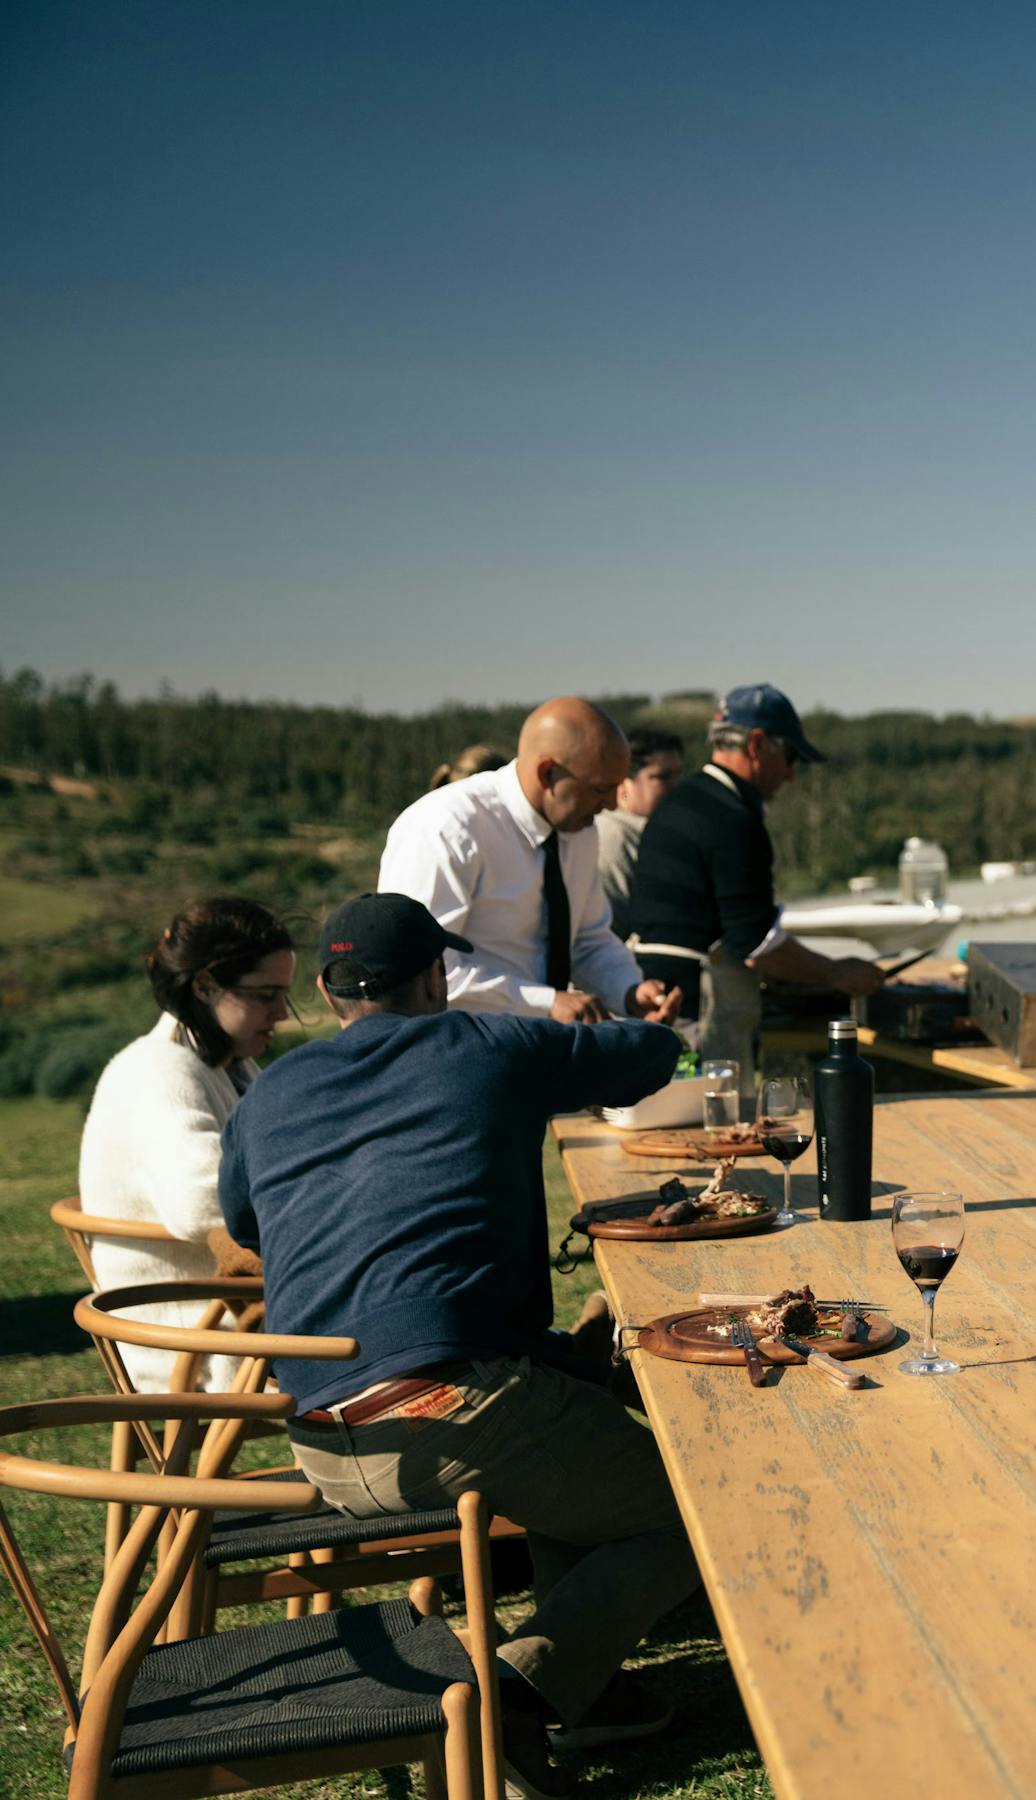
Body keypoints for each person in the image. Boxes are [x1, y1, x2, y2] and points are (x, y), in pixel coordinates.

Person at [220, 894, 692, 1792]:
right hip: (453, 1412)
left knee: (576, 1427)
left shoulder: (272, 1090)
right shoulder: (485, 1045)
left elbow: (244, 1220)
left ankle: (585, 1696)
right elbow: (647, 1059)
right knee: (694, 1509)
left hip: (319, 1432)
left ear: (325, 991)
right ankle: (511, 1698)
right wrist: (636, 1016)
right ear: (437, 977)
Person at [77, 897, 293, 1392]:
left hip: (221, 1321)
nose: (281, 1012)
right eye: (265, 995)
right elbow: (201, 1201)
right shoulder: (161, 1072)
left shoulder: (224, 1066)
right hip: (193, 1341)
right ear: (205, 987)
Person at [620, 683, 883, 1068]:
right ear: (758, 744)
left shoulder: (684, 797)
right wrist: (837, 972)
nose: (791, 774)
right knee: (719, 1122)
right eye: (790, 756)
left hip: (653, 998)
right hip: (697, 1012)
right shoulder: (731, 819)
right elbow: (757, 945)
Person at [379, 697, 682, 1026]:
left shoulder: (579, 828)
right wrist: (546, 1003)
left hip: (544, 1049)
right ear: (548, 773)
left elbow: (586, 939)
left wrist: (628, 991)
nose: (610, 805)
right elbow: (424, 973)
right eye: (600, 789)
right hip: (463, 1052)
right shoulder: (446, 828)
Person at [596, 727, 685, 926]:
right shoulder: (612, 837)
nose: (677, 785)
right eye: (663, 777)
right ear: (623, 782)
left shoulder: (666, 833)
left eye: (679, 775)